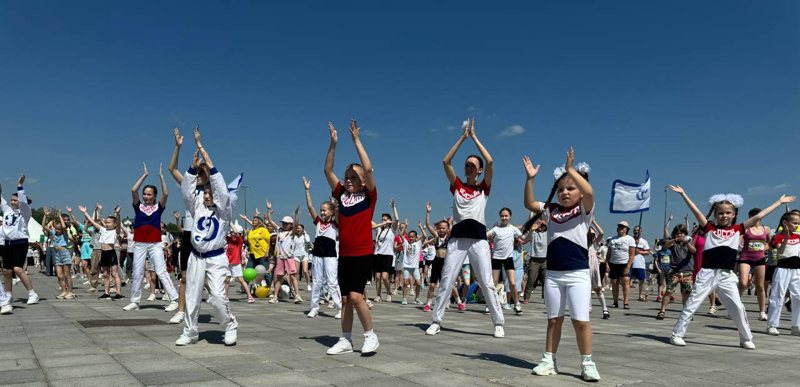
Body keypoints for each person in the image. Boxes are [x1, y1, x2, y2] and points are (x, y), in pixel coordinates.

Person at [668, 186, 794, 349]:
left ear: (734, 214)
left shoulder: (738, 229)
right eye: (720, 213)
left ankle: (745, 338)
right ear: (715, 215)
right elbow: (696, 212)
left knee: (737, 306)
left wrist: (779, 202)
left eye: (728, 213)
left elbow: (760, 215)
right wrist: (684, 194)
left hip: (727, 275)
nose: (724, 215)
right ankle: (676, 334)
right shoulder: (710, 228)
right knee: (693, 303)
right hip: (707, 273)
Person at [523, 149, 600, 381]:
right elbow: (528, 202)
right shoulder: (551, 209)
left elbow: (589, 192)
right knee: (553, 320)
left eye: (570, 188)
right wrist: (530, 179)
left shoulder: (584, 210)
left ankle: (587, 362)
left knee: (580, 321)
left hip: (578, 274)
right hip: (554, 275)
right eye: (561, 190)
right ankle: (549, 359)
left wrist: (569, 171)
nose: (565, 193)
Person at [426, 118, 504, 338]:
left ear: (478, 171)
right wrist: (462, 138)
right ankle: (436, 320)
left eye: (473, 165)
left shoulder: (483, 188)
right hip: (457, 239)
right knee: (447, 279)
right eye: (467, 165)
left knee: (486, 282)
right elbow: (445, 162)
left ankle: (498, 323)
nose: (469, 168)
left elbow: (490, 161)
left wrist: (475, 138)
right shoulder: (458, 186)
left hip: (479, 239)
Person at [323, 120, 380, 355]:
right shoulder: (341, 196)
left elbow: (367, 169)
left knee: (356, 297)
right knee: (345, 299)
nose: (348, 180)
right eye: (347, 176)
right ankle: (345, 339)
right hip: (344, 254)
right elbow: (327, 170)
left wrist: (356, 140)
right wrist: (333, 144)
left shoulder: (369, 196)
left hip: (362, 254)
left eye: (353, 177)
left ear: (363, 182)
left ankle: (370, 335)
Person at [176, 139, 238, 346]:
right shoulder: (198, 207)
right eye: (206, 194)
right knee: (192, 297)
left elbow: (221, 189)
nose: (208, 197)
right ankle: (190, 332)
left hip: (216, 257)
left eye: (212, 194)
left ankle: (229, 325)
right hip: (196, 257)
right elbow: (187, 192)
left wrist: (209, 161)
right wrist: (193, 170)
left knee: (218, 297)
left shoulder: (224, 212)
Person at [122, 163, 179, 312]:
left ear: (154, 196)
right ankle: (135, 301)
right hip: (139, 243)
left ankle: (174, 299)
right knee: (137, 272)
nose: (146, 196)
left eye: (149, 194)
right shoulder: (138, 206)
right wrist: (144, 175)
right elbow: (133, 190)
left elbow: (165, 194)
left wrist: (161, 177)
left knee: (161, 271)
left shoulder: (158, 207)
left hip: (155, 244)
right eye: (144, 194)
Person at [302, 176, 342, 319]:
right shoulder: (318, 222)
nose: (322, 212)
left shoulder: (335, 223)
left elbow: (337, 211)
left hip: (330, 255)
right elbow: (310, 207)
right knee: (316, 282)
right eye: (321, 210)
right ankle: (314, 307)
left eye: (325, 210)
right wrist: (307, 190)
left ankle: (340, 308)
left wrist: (336, 203)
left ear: (331, 212)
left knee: (332, 282)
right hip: (317, 254)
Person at [1, 175, 40, 305]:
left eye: (15, 200)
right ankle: (8, 295)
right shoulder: (7, 210)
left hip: (20, 242)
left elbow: (22, 200)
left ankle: (32, 293)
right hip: (8, 243)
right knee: (6, 271)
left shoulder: (25, 211)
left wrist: (19, 185)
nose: (13, 202)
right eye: (11, 200)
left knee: (18, 269)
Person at [79, 205, 124, 300]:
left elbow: (119, 223)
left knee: (115, 274)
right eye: (106, 222)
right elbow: (92, 221)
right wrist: (85, 212)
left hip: (111, 252)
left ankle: (118, 293)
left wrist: (117, 214)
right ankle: (106, 293)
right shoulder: (103, 230)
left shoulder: (116, 231)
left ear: (114, 224)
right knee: (105, 274)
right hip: (103, 253)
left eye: (109, 222)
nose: (107, 224)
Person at [766, 212, 800, 336]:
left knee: (798, 297)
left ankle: (796, 325)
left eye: (798, 223)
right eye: (794, 223)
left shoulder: (798, 237)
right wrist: (786, 237)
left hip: (797, 269)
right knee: (777, 296)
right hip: (782, 269)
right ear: (785, 223)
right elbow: (780, 251)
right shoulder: (777, 237)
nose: (797, 226)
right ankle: (772, 325)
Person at [655, 216, 696, 320]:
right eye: (677, 233)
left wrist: (687, 243)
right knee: (669, 291)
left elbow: (694, 251)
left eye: (682, 233)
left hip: (687, 272)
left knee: (686, 294)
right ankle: (662, 311)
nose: (680, 235)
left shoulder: (689, 241)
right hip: (674, 272)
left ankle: (686, 313)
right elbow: (665, 245)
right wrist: (675, 239)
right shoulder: (673, 243)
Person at [265, 200, 302, 304]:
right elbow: (270, 221)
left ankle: (298, 295)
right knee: (278, 277)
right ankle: (275, 296)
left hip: (289, 257)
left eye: (286, 223)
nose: (284, 225)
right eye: (283, 223)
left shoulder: (292, 232)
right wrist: (268, 210)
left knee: (293, 276)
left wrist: (295, 214)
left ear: (290, 225)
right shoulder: (279, 230)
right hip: (280, 257)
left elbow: (297, 224)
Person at [488, 208, 523, 314]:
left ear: (510, 216)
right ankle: (490, 305)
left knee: (512, 283)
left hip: (508, 258)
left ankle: (516, 304)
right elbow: (486, 236)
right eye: (502, 216)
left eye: (506, 216)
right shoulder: (496, 229)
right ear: (500, 217)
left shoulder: (513, 229)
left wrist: (531, 231)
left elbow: (524, 239)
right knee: (493, 282)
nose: (504, 218)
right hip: (496, 258)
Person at [739, 208, 771, 321]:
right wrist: (741, 247)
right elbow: (738, 242)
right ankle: (735, 306)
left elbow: (770, 243)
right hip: (745, 258)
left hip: (759, 259)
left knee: (760, 286)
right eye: (751, 215)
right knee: (743, 283)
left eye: (756, 215)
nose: (754, 217)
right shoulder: (746, 229)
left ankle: (762, 312)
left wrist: (763, 248)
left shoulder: (766, 229)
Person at [373, 200, 399, 302]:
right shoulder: (379, 229)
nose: (383, 221)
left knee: (384, 276)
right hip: (377, 254)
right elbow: (369, 221)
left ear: (389, 220)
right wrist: (381, 224)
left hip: (387, 255)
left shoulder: (392, 230)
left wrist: (393, 207)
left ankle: (388, 293)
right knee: (378, 276)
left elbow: (397, 219)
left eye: (385, 220)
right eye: (382, 220)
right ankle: (378, 295)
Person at [44, 209, 74, 299]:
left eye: (59, 229)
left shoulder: (64, 234)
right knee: (59, 275)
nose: (57, 230)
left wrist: (60, 215)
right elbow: (44, 226)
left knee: (67, 274)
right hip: (57, 254)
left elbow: (64, 227)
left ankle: (70, 292)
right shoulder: (54, 233)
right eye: (56, 228)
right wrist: (45, 216)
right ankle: (63, 291)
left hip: (64, 253)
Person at [606, 221, 635, 309]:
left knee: (626, 281)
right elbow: (609, 252)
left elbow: (632, 254)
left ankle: (626, 302)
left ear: (626, 229)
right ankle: (615, 302)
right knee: (614, 282)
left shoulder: (630, 239)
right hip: (613, 263)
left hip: (624, 263)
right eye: (619, 226)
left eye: (623, 227)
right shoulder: (613, 239)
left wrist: (628, 266)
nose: (620, 228)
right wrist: (607, 263)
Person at [401, 222, 426, 306]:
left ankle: (417, 298)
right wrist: (405, 226)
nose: (411, 238)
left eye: (413, 237)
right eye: (410, 237)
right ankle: (404, 298)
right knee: (405, 283)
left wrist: (420, 227)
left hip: (415, 267)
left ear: (416, 237)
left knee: (418, 283)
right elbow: (401, 234)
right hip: (407, 266)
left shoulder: (418, 243)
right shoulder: (406, 243)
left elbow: (424, 235)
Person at [226, 222, 252, 303]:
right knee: (226, 280)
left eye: (233, 233)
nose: (232, 234)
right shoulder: (228, 239)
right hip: (227, 262)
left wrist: (230, 223)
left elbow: (237, 234)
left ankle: (249, 296)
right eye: (231, 233)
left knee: (241, 279)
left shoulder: (239, 240)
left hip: (236, 262)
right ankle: (225, 297)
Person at [588, 221, 609, 319]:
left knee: (597, 288)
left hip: (593, 266)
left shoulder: (595, 243)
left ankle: (605, 309)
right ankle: (588, 306)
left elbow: (602, 233)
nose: (592, 235)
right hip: (584, 266)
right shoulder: (582, 243)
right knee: (585, 288)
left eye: (593, 234)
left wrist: (593, 222)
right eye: (590, 233)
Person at [523, 219, 547, 303]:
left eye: (542, 226)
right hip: (534, 260)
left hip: (545, 260)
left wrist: (545, 222)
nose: (541, 227)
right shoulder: (534, 233)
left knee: (545, 281)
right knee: (531, 279)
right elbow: (530, 224)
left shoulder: (547, 234)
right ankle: (526, 297)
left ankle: (546, 298)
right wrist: (534, 226)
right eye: (539, 226)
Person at [631, 226, 651, 302]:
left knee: (641, 280)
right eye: (635, 230)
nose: (636, 232)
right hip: (631, 263)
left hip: (640, 264)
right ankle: (625, 295)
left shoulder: (644, 241)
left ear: (641, 231)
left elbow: (648, 251)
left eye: (638, 230)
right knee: (627, 280)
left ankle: (640, 295)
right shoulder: (630, 239)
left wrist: (639, 252)